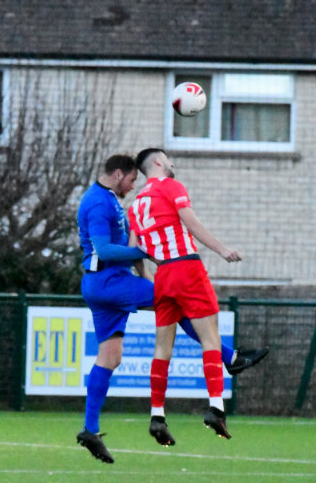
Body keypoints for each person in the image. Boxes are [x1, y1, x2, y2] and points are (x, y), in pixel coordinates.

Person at [75, 154, 267, 463]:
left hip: (103, 284)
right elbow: (106, 250)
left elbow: (126, 246)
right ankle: (229, 357)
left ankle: (90, 429)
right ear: (119, 174)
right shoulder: (98, 202)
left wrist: (144, 267)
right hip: (109, 282)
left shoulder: (110, 199)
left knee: (110, 357)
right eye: (131, 180)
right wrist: (147, 251)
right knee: (177, 300)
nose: (133, 185)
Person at [128, 147, 243, 443]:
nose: (172, 163)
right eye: (168, 159)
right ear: (158, 162)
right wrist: (222, 250)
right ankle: (216, 408)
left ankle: (157, 415)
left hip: (163, 276)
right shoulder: (171, 186)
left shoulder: (136, 204)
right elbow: (191, 223)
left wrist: (147, 277)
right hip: (187, 268)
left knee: (161, 349)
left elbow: (134, 249)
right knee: (210, 338)